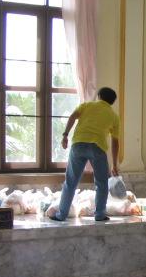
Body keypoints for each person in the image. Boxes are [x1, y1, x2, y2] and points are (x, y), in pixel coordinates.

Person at [50, 87, 120, 222]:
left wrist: (65, 135)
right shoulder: (114, 116)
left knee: (70, 182)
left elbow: (72, 117)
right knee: (102, 183)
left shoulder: (87, 105)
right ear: (112, 102)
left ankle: (61, 215)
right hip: (98, 147)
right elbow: (115, 142)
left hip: (79, 144)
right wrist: (115, 164)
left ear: (99, 96)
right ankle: (99, 215)